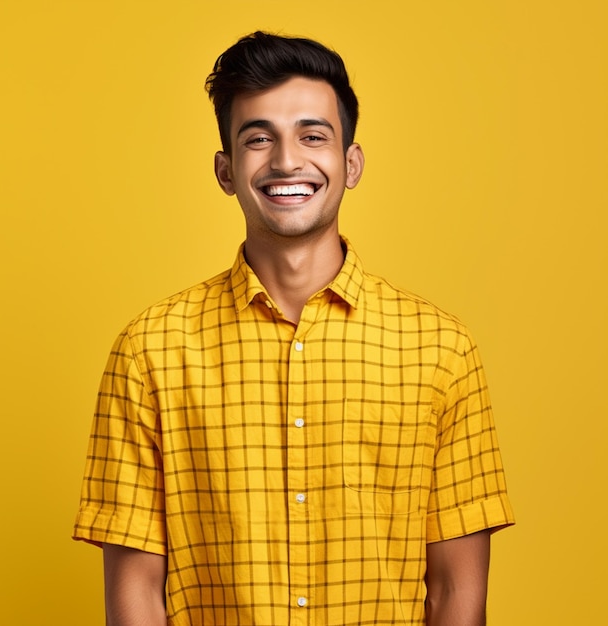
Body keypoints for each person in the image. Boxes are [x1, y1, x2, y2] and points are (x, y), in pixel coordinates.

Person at [73, 31, 515, 626]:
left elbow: (456, 592)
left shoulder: (441, 350)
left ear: (350, 163)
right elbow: (136, 595)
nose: (286, 161)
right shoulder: (150, 351)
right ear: (226, 171)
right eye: (259, 139)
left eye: (313, 136)